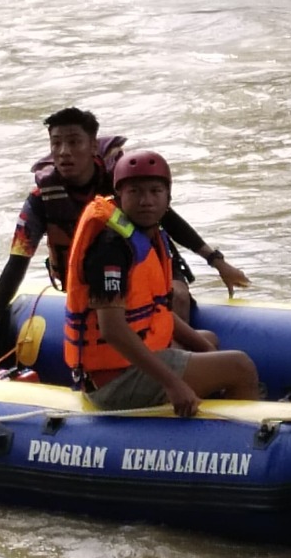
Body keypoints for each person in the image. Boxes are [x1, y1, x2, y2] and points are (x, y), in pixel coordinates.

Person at [0, 107, 248, 352]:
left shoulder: (121, 181)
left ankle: (175, 359)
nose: (64, 152)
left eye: (74, 142)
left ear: (93, 145)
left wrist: (217, 261)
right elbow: (17, 261)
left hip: (149, 268)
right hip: (95, 280)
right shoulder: (40, 200)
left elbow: (166, 216)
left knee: (178, 296)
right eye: (56, 144)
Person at [64, 151, 258, 416]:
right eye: (135, 192)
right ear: (119, 196)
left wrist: (205, 349)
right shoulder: (110, 249)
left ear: (168, 198)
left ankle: (215, 403)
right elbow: (112, 330)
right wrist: (172, 383)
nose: (146, 201)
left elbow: (157, 311)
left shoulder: (146, 236)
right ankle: (241, 441)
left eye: (155, 191)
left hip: (132, 362)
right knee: (240, 366)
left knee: (206, 339)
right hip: (113, 381)